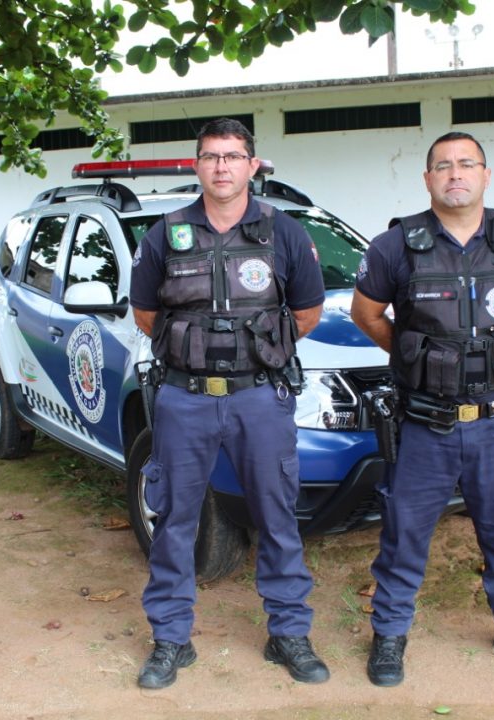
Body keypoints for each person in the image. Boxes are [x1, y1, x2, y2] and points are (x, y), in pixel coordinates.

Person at [350, 131, 494, 686]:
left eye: (466, 164)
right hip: (426, 425)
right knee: (404, 535)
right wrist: (418, 359)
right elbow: (367, 315)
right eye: (443, 165)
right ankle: (390, 633)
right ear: (428, 179)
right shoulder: (395, 246)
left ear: (485, 175)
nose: (455, 174)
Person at [129, 118, 329, 689]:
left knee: (277, 516)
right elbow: (146, 314)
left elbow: (307, 313)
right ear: (197, 165)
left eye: (233, 156)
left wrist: (254, 352)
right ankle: (171, 638)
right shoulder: (165, 234)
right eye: (212, 156)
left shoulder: (284, 232)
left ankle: (288, 632)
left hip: (258, 397)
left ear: (252, 165)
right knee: (174, 519)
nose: (222, 166)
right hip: (184, 398)